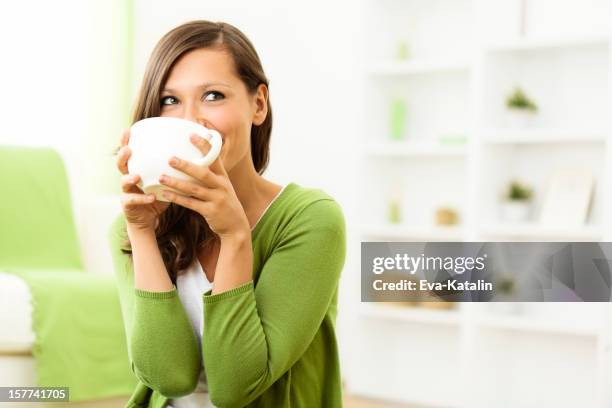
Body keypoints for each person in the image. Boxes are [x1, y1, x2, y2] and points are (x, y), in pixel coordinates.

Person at [108, 20, 346, 408]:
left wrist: (235, 235)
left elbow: (236, 386)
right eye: (170, 101)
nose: (189, 120)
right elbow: (169, 376)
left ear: (258, 104)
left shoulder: (312, 220)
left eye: (213, 95)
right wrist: (141, 234)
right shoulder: (132, 226)